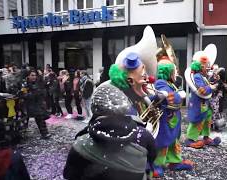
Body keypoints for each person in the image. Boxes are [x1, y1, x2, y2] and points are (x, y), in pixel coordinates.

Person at [66, 26, 159, 179]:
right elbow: (150, 155)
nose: (148, 79)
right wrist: (144, 132)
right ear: (129, 79)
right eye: (143, 73)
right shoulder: (139, 130)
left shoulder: (80, 142)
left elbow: (69, 174)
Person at [152, 37, 193, 177]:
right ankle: (157, 164)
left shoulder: (170, 83)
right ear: (168, 72)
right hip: (165, 119)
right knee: (163, 142)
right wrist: (179, 95)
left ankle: (175, 161)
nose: (176, 73)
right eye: (173, 71)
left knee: (173, 141)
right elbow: (170, 97)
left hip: (172, 119)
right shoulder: (161, 83)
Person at [184, 45, 221, 149]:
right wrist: (211, 87)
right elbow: (202, 90)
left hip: (205, 104)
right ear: (201, 67)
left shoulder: (202, 77)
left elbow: (206, 86)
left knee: (207, 119)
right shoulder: (197, 76)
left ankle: (206, 137)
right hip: (198, 103)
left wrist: (213, 82)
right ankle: (190, 139)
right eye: (206, 65)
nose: (208, 67)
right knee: (197, 120)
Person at [21, 70, 51, 139]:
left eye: (35, 75)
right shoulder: (25, 84)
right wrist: (32, 94)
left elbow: (42, 91)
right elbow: (23, 94)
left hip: (38, 104)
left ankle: (45, 133)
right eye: (32, 75)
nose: (34, 77)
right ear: (28, 76)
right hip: (28, 104)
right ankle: (23, 133)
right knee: (25, 119)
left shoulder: (38, 83)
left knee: (40, 118)